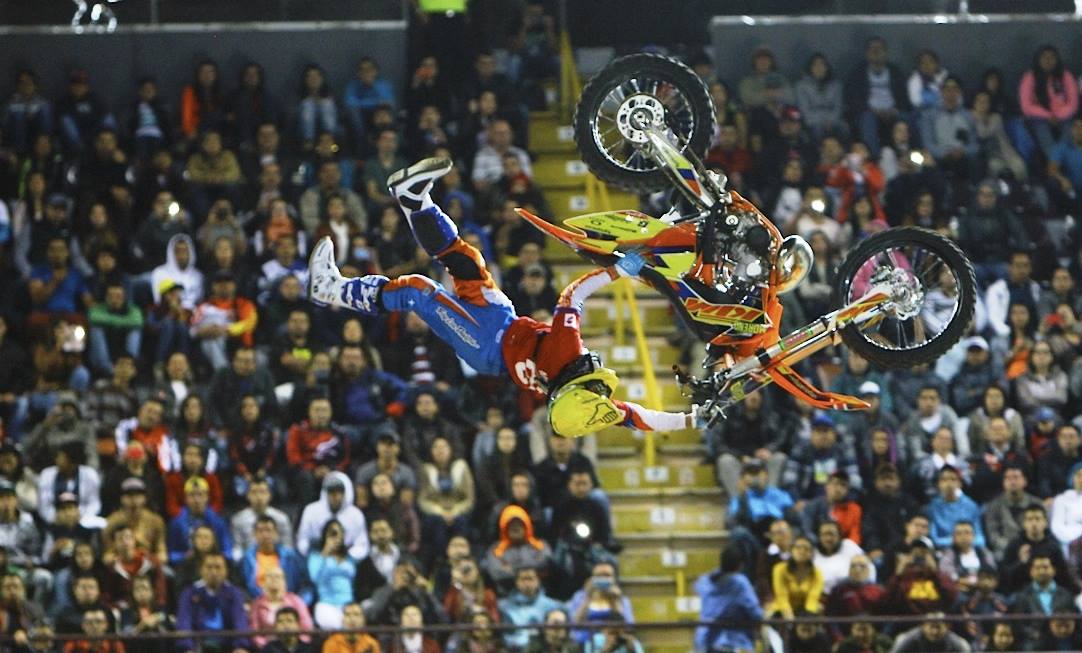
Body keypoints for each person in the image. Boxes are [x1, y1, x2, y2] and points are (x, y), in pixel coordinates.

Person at [308, 157, 695, 438]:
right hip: (502, 324)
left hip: (488, 341)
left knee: (417, 291)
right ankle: (414, 200)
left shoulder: (568, 356)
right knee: (463, 259)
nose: (602, 388)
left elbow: (572, 294)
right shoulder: (577, 399)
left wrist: (618, 271)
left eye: (595, 390)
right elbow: (634, 417)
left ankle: (331, 290)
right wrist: (688, 420)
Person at [175, 553, 250, 653]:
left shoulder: (234, 593)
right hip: (197, 646)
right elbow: (184, 622)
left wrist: (241, 646)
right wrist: (187, 648)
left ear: (226, 571)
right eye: (209, 567)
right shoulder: (189, 593)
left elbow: (240, 621)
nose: (214, 572)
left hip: (227, 646)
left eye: (218, 567)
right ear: (201, 570)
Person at [695, 545, 762, 653]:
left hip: (702, 642)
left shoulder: (704, 581)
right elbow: (756, 614)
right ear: (740, 565)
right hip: (730, 643)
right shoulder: (740, 583)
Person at [296, 472, 369, 560]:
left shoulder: (356, 514)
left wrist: (346, 557)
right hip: (317, 556)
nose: (335, 496)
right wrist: (318, 556)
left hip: (348, 559)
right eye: (332, 492)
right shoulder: (311, 511)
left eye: (339, 492)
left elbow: (362, 545)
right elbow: (302, 541)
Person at [483, 505, 552, 595]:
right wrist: (532, 570)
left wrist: (512, 569)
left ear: (527, 525)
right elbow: (497, 574)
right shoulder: (495, 549)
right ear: (504, 527)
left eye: (519, 524)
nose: (515, 527)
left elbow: (546, 564)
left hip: (540, 595)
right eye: (511, 524)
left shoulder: (540, 545)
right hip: (507, 597)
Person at [1009, 554, 1076, 645]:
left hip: (1063, 638)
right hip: (1034, 641)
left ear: (1053, 570)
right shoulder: (1022, 596)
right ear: (1031, 572)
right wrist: (1034, 635)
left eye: (1045, 567)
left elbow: (1074, 621)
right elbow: (1019, 624)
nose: (1041, 571)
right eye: (1037, 568)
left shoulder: (1066, 595)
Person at [166, 476, 231, 565]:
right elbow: (171, 554)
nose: (197, 500)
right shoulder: (177, 523)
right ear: (185, 498)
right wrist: (185, 556)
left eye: (200, 494)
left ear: (207, 497)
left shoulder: (218, 522)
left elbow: (227, 551)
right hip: (187, 566)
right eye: (192, 495)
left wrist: (215, 558)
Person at [498, 566, 564, 651]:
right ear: (517, 582)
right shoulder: (504, 606)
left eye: (530, 579)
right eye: (523, 579)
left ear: (538, 581)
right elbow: (507, 636)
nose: (527, 583)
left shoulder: (552, 605)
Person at [229, 478, 292, 560]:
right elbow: (237, 547)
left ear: (269, 495)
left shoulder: (282, 518)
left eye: (262, 492)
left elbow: (287, 546)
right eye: (254, 492)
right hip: (248, 562)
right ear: (248, 495)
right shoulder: (238, 520)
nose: (259, 497)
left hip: (277, 560)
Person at [766, 535, 822, 618]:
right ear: (791, 550)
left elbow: (812, 599)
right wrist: (790, 620)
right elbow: (782, 597)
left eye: (807, 548)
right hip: (781, 610)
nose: (802, 551)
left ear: (812, 553)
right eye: (798, 547)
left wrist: (806, 618)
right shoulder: (779, 569)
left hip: (805, 612)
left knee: (818, 610)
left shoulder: (817, 573)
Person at [889, 616, 971, 653]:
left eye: (938, 627)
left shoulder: (958, 643)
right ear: (923, 626)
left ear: (947, 627)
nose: (934, 632)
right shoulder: (907, 639)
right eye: (931, 627)